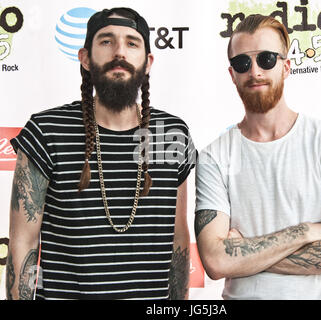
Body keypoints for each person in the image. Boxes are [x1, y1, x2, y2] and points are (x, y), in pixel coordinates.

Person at [6, 7, 196, 300]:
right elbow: (23, 242)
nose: (119, 51)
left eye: (132, 43)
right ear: (85, 58)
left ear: (148, 62)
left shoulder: (172, 133)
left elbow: (178, 238)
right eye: (106, 41)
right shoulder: (46, 131)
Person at [195, 14, 321, 300]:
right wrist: (303, 231)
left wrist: (243, 255)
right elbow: (216, 262)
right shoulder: (214, 157)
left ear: (286, 67)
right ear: (232, 74)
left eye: (266, 59)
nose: (255, 72)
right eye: (242, 63)